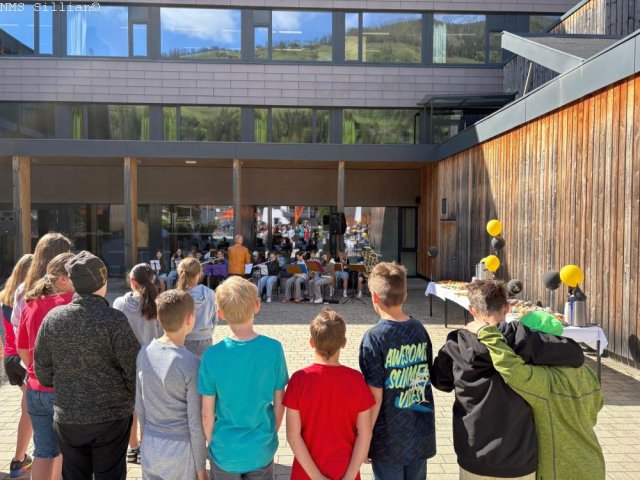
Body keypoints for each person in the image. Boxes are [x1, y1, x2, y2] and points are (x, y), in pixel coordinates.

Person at [431, 280, 585, 480]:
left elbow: (440, 381)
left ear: (471, 310)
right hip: (518, 458)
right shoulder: (521, 337)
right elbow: (575, 354)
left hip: (473, 455)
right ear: (507, 307)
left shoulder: (456, 342)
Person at [34, 251, 140, 480]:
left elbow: (43, 372)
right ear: (103, 281)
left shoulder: (53, 318)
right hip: (111, 417)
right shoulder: (113, 319)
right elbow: (134, 370)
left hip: (68, 415)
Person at [467, 311, 605, 480]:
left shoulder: (547, 381)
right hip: (593, 461)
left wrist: (487, 334)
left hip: (561, 470)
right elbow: (597, 405)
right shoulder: (586, 372)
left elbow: (512, 369)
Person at [199, 276, 288, 479]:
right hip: (261, 447)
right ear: (257, 306)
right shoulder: (274, 349)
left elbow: (207, 412)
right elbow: (280, 403)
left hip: (225, 450)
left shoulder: (212, 355)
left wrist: (212, 442)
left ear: (220, 314)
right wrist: (271, 434)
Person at [358, 262, 435, 480]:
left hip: (387, 439)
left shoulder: (374, 338)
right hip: (419, 433)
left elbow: (374, 395)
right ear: (405, 294)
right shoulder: (420, 330)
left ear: (375, 297)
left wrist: (365, 438)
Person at [284, 309, 374, 479]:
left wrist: (317, 477)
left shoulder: (299, 380)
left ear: (312, 343)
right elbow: (365, 434)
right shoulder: (356, 380)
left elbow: (292, 435)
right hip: (345, 470)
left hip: (306, 473)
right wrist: (349, 476)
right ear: (344, 343)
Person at [136, 290, 207, 480]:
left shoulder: (144, 353)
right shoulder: (192, 364)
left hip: (151, 442)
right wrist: (201, 468)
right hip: (180, 449)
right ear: (190, 319)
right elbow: (195, 422)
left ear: (158, 318)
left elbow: (139, 405)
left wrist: (145, 437)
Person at [16, 252, 75, 480]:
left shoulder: (31, 303)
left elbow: (22, 348)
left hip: (34, 388)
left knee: (42, 451)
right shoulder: (70, 302)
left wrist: (36, 368)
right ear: (62, 279)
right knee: (65, 452)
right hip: (62, 389)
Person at [113, 263, 163, 464]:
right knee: (148, 407)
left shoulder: (119, 303)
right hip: (151, 361)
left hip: (125, 363)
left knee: (131, 408)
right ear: (152, 280)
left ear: (132, 282)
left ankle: (133, 447)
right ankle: (146, 447)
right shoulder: (157, 304)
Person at [0, 253, 34, 478]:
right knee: (30, 409)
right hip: (23, 358)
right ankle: (19, 460)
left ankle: (21, 458)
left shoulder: (5, 298)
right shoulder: (28, 298)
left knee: (28, 407)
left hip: (10, 358)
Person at [176, 257, 217, 357]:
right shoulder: (210, 293)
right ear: (199, 274)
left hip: (183, 340)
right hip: (206, 340)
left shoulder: (177, 296)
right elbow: (214, 320)